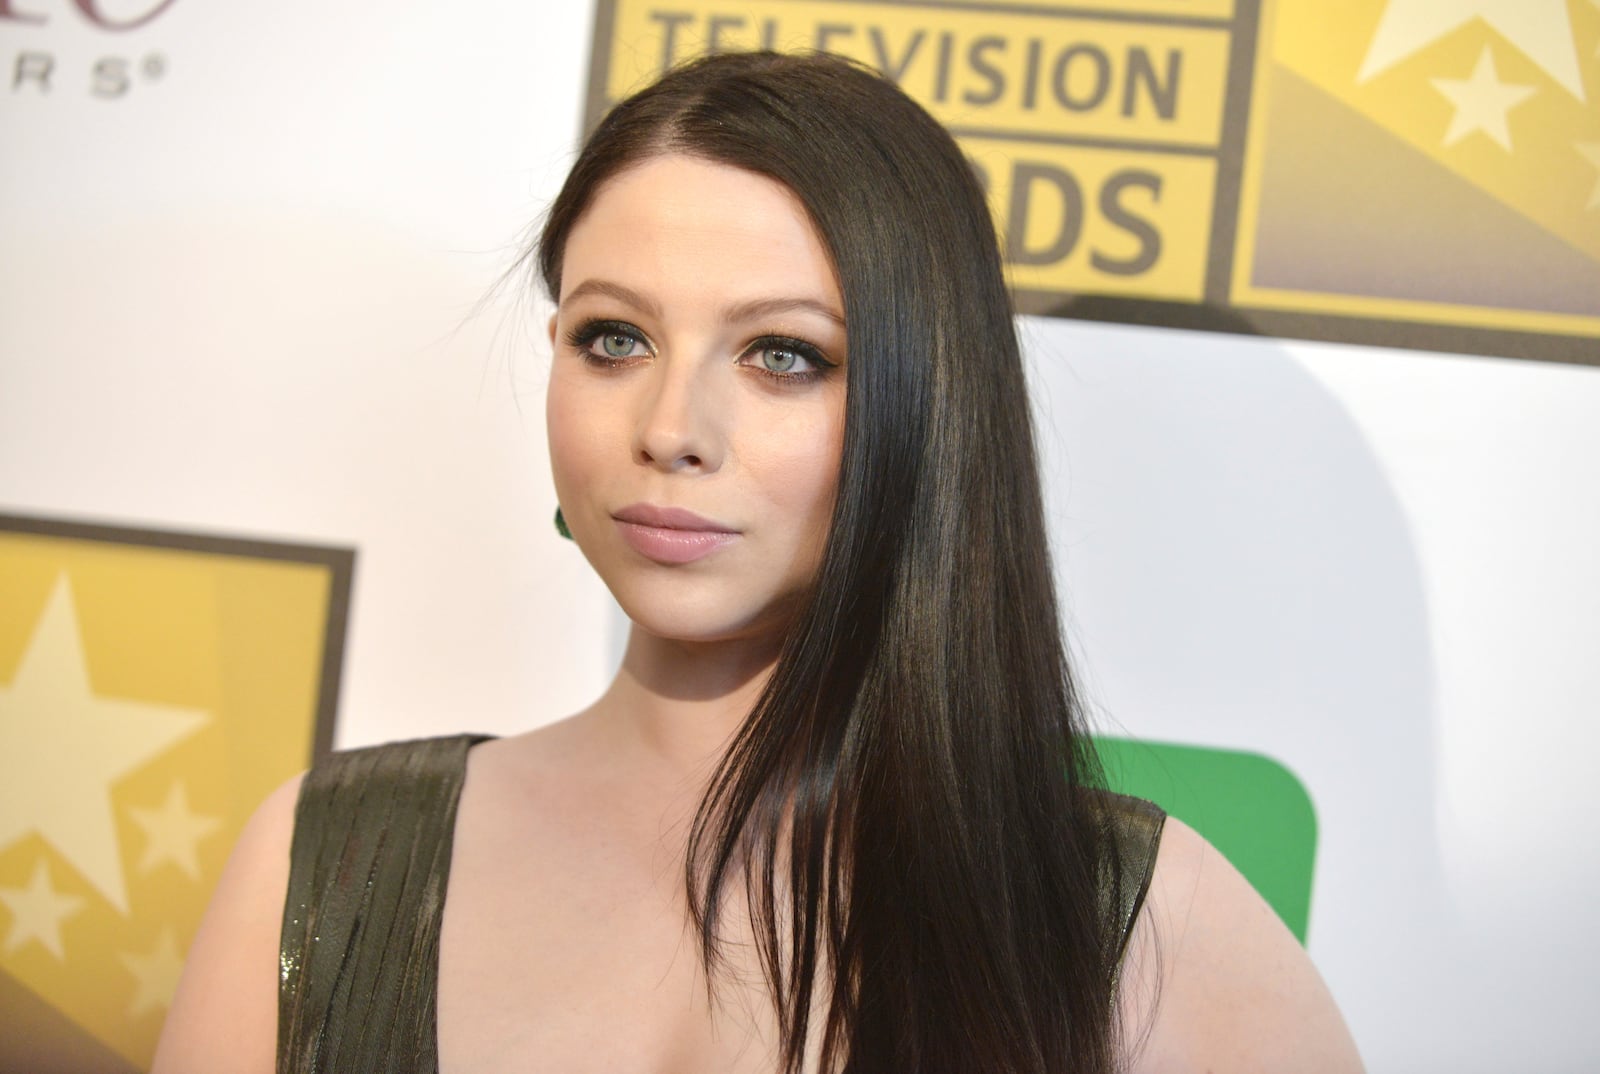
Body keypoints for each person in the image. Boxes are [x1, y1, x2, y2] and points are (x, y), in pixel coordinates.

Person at [153, 51, 1363, 1074]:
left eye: (784, 355)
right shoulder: (327, 866)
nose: (670, 426)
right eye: (613, 339)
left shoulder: (1139, 919)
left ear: (927, 407)